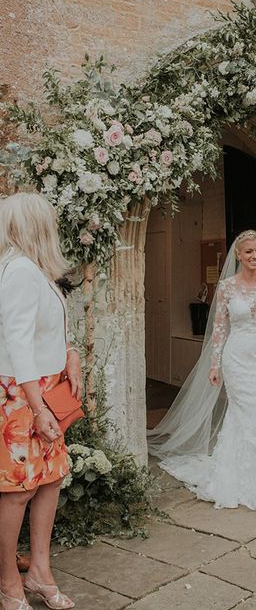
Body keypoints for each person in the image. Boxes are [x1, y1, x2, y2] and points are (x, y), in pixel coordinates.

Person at [148, 230, 256, 513]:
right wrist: (215, 364)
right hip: (237, 360)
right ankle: (238, 480)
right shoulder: (228, 287)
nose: (254, 256)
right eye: (249, 252)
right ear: (239, 255)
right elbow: (220, 328)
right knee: (242, 419)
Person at [0, 192, 83, 610]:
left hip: (45, 389)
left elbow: (47, 328)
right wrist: (37, 407)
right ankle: (9, 583)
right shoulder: (18, 271)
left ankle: (40, 572)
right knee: (17, 491)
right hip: (22, 395)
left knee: (49, 480)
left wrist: (71, 354)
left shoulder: (37, 271)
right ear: (36, 224)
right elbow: (16, 342)